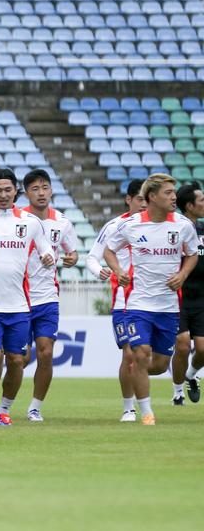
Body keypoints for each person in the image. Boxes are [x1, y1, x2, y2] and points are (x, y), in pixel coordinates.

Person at [104, 173, 199, 426]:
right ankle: (146, 413)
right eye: (168, 193)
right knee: (139, 354)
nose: (174, 197)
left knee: (157, 364)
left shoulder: (182, 225)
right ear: (152, 197)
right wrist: (119, 271)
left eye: (174, 192)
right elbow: (109, 250)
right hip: (138, 305)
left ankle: (144, 395)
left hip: (168, 307)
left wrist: (182, 274)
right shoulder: (131, 225)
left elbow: (192, 254)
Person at [0, 169, 53, 426]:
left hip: (20, 305)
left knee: (17, 360)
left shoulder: (31, 222)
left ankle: (4, 410)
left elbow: (46, 249)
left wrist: (47, 257)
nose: (2, 194)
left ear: (15, 191)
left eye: (7, 189)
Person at [21, 169, 79, 421]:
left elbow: (73, 253)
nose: (41, 192)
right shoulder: (17, 219)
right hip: (17, 298)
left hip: (47, 297)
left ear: (51, 190)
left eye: (45, 187)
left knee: (45, 352)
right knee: (18, 358)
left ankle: (35, 407)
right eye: (35, 188)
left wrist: (70, 260)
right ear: (26, 193)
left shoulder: (62, 222)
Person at [86, 179, 145, 421]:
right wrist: (99, 271)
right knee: (129, 355)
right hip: (123, 301)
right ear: (128, 199)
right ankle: (129, 408)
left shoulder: (160, 226)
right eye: (139, 198)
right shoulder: (114, 226)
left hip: (154, 302)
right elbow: (91, 257)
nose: (144, 203)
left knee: (151, 358)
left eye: (146, 198)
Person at [173, 183, 204, 404]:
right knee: (183, 344)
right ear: (189, 205)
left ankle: (190, 376)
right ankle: (177, 393)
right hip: (179, 297)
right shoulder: (175, 230)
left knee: (202, 350)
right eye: (201, 200)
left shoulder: (203, 230)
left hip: (202, 298)